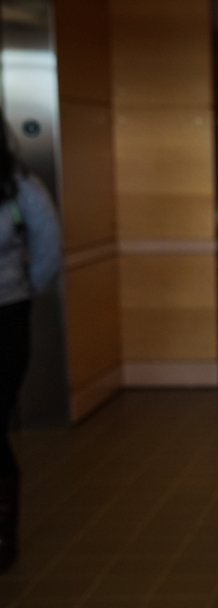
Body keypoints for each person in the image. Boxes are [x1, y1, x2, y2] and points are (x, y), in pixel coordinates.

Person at [0, 116, 61, 572]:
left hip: (6, 316)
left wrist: (20, 289)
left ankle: (4, 533)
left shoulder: (17, 184)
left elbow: (47, 245)